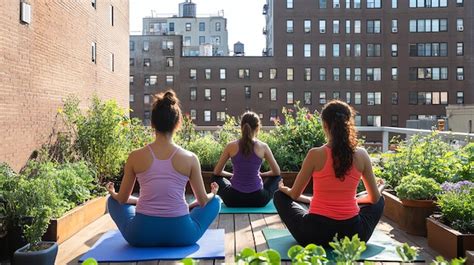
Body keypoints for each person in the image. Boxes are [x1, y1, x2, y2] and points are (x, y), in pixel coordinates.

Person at [106, 90, 220, 247]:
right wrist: (213, 194)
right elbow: (202, 201)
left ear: (152, 123)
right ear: (177, 123)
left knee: (112, 201)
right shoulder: (191, 158)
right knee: (216, 201)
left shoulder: (135, 156)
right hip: (181, 235)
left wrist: (113, 193)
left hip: (140, 235)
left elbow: (122, 199)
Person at [274, 100, 385, 247]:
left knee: (279, 196)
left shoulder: (315, 154)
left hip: (314, 235)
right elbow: (374, 198)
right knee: (380, 200)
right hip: (352, 236)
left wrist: (283, 189)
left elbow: (294, 195)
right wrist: (380, 188)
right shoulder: (362, 154)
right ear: (349, 124)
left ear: (325, 125)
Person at [212, 111, 281, 207]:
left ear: (241, 127)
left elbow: (217, 172)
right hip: (258, 200)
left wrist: (233, 175)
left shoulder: (231, 146)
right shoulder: (263, 146)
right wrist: (262, 174)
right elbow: (277, 172)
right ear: (257, 128)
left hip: (232, 199)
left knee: (215, 178)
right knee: (277, 178)